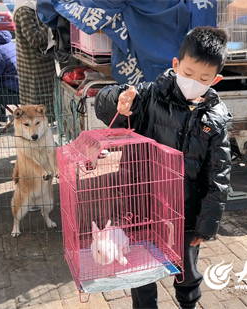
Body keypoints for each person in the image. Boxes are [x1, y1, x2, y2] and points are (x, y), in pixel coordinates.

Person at [94, 26, 232, 309]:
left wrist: (206, 226)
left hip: (185, 215)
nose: (194, 82)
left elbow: (219, 175)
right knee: (142, 272)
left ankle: (188, 304)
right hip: (141, 208)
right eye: (189, 73)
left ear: (215, 79)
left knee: (186, 273)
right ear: (176, 64)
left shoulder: (215, 118)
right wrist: (118, 102)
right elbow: (107, 103)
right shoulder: (150, 96)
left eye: (204, 78)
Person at [14, 1, 56, 121]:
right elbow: (35, 39)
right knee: (37, 112)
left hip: (40, 68)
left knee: (41, 111)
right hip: (34, 70)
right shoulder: (25, 11)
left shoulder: (33, 9)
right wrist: (50, 20)